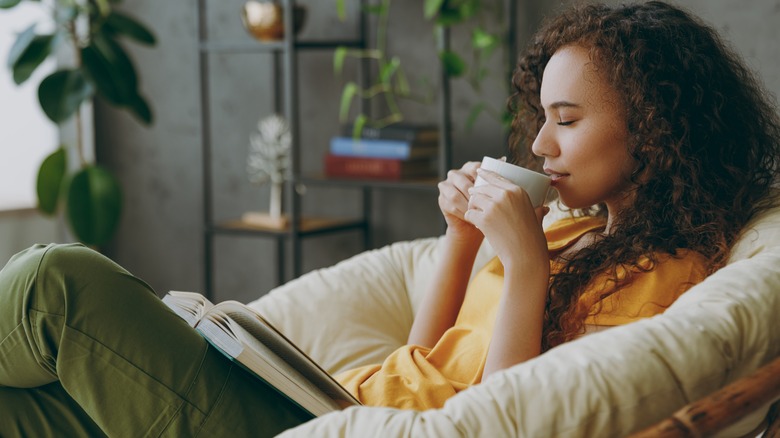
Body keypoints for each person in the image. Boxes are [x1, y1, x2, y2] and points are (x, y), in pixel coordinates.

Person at [1, 1, 778, 436]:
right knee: (26, 409)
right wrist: (463, 240)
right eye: (540, 116)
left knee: (56, 282)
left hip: (310, 430)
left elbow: (510, 419)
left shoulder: (663, 276)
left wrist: (527, 269)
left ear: (655, 128)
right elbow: (424, 355)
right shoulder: (578, 229)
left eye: (566, 120)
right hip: (333, 406)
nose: (538, 144)